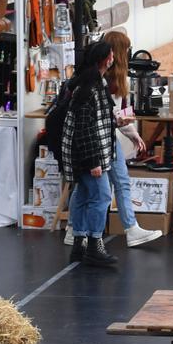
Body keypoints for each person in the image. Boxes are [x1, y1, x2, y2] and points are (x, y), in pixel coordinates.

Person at [63, 32, 163, 249]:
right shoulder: (102, 81)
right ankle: (90, 234)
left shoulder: (109, 78)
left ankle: (80, 230)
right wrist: (129, 131)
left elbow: (114, 112)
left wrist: (128, 129)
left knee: (97, 186)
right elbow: (106, 116)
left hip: (106, 137)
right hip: (102, 140)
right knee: (102, 189)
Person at [61, 42, 119, 268]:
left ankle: (79, 243)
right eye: (112, 54)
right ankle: (95, 243)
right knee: (102, 196)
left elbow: (93, 121)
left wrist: (115, 121)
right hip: (88, 155)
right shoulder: (90, 88)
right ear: (105, 59)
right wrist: (93, 160)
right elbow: (85, 128)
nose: (114, 58)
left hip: (83, 153)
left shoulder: (92, 84)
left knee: (84, 195)